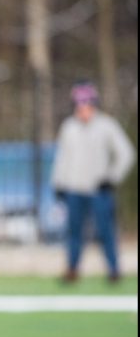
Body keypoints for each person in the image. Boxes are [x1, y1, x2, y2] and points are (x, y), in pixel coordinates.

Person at [51, 81, 136, 283]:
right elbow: (62, 158)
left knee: (106, 231)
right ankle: (72, 269)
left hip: (99, 189)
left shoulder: (107, 126)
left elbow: (126, 154)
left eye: (87, 105)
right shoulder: (69, 127)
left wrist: (112, 178)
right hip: (73, 189)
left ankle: (114, 270)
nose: (83, 110)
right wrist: (58, 183)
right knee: (74, 232)